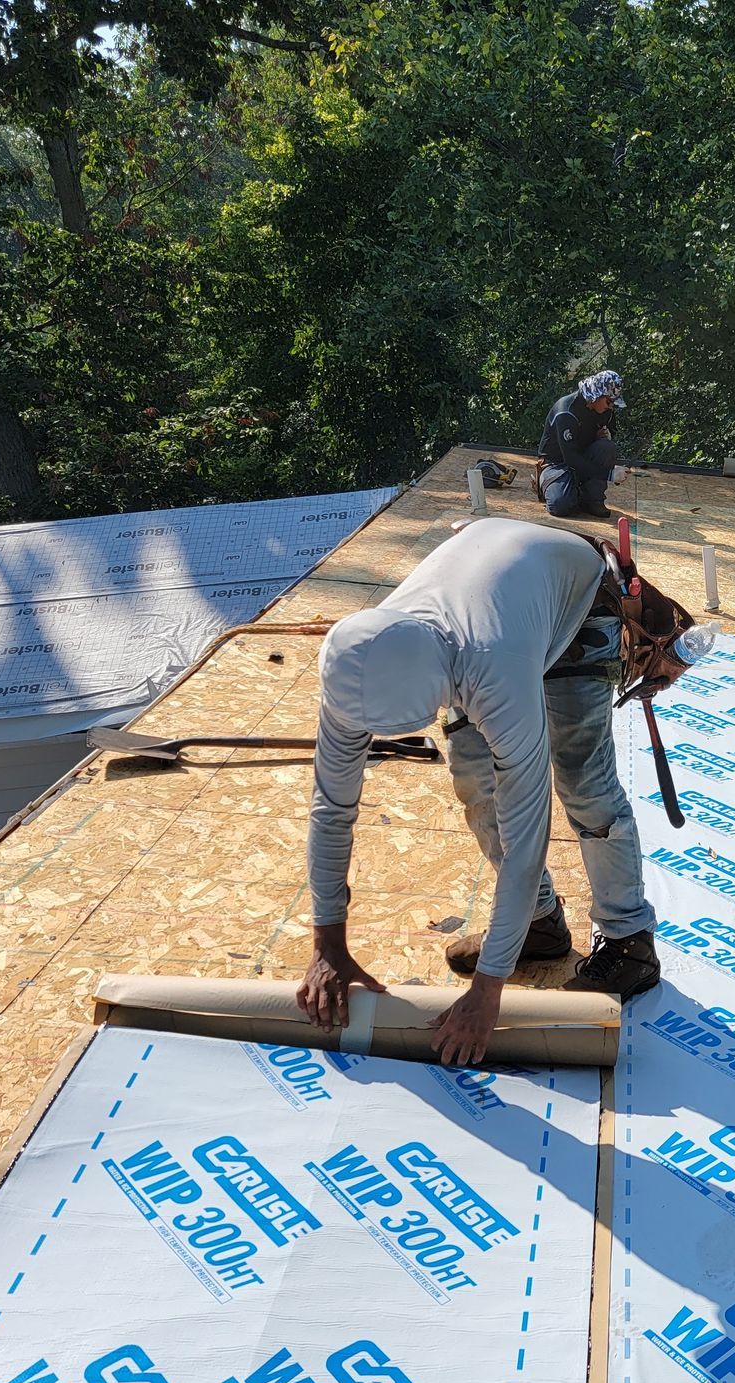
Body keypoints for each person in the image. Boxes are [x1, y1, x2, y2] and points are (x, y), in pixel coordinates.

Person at [297, 516, 678, 1067]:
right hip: (495, 605)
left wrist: (488, 992)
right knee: (475, 779)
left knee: (582, 781)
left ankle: (629, 940)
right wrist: (327, 944)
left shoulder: (492, 669)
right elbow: (331, 810)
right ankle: (538, 924)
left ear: (443, 687)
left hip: (577, 599)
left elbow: (529, 835)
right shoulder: (355, 660)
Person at [538, 370, 624, 518]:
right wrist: (609, 474)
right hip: (556, 464)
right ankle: (550, 487)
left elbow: (610, 431)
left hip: (583, 457)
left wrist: (607, 435)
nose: (611, 407)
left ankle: (593, 500)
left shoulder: (605, 411)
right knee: (560, 506)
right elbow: (571, 459)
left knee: (606, 447)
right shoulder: (565, 411)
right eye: (609, 402)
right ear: (596, 395)